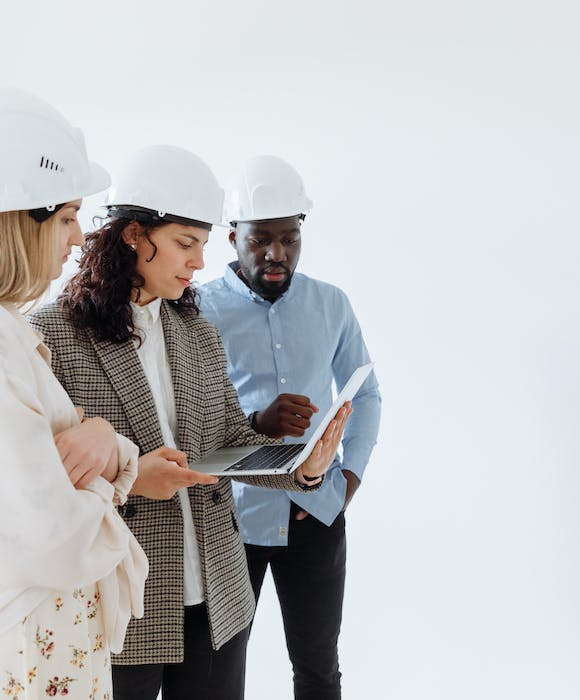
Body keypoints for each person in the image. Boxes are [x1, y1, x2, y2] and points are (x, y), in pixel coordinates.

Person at [29, 145, 351, 700]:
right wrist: (130, 479)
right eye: (184, 244)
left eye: (202, 245)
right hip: (122, 601)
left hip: (218, 596)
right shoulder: (53, 334)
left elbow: (230, 441)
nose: (198, 263)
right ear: (133, 235)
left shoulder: (195, 329)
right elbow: (32, 482)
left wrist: (302, 469)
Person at [199, 155, 381, 699]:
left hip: (316, 514)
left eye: (289, 238)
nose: (276, 253)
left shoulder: (331, 304)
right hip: (231, 520)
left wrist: (348, 481)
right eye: (260, 240)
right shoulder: (196, 310)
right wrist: (256, 423)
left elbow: (366, 393)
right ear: (234, 238)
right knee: (219, 668)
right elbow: (188, 418)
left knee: (319, 664)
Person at [0, 88, 147, 700]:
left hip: (50, 642)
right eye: (65, 217)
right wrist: (110, 463)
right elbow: (51, 533)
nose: (80, 236)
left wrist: (102, 441)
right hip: (35, 642)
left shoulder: (13, 330)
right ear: (18, 218)